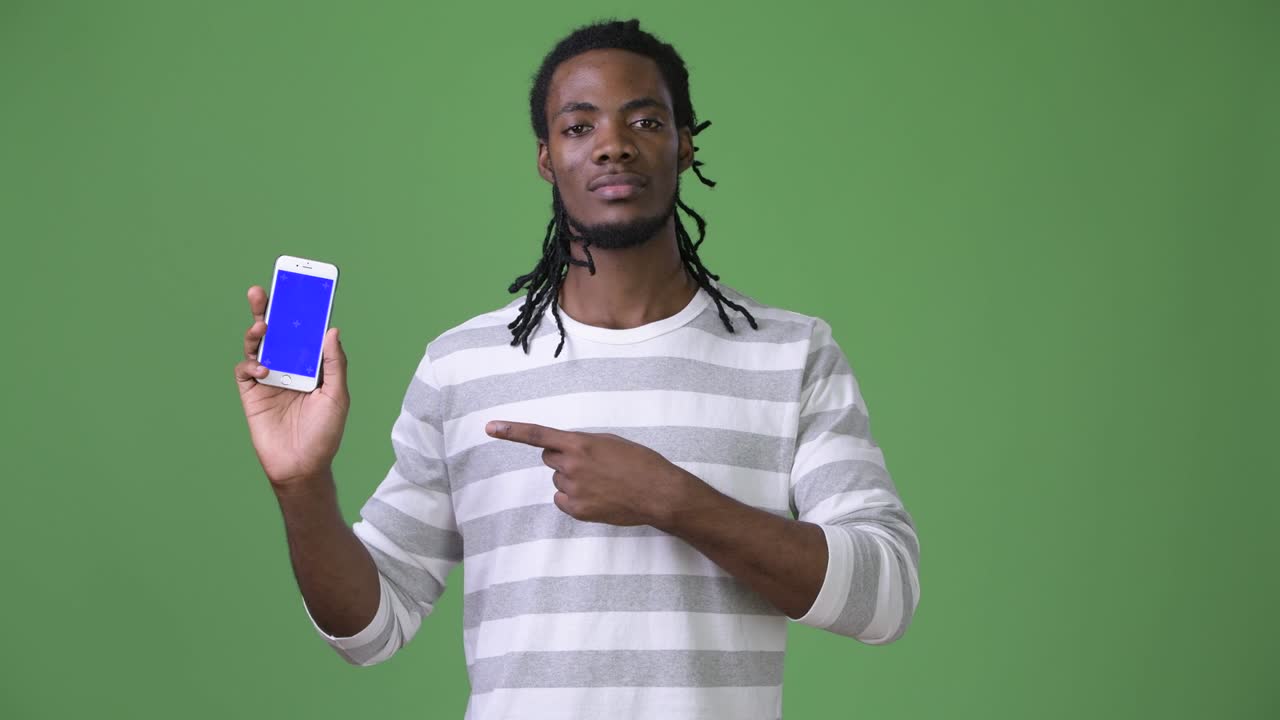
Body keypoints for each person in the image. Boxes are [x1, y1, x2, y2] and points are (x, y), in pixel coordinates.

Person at [234, 18, 920, 720]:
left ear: (685, 145)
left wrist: (672, 501)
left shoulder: (791, 352)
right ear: (545, 158)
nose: (613, 145)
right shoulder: (462, 366)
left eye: (645, 120)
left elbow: (886, 596)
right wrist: (302, 484)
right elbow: (369, 630)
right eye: (578, 126)